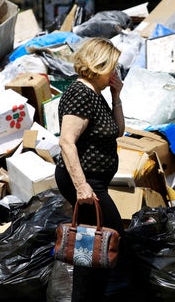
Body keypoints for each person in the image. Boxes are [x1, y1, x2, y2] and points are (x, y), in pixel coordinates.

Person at [54, 37, 126, 301]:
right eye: (113, 68)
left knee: (95, 242)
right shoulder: (81, 93)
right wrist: (81, 186)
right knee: (102, 238)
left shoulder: (96, 94)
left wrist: (116, 95)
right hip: (85, 181)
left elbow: (118, 131)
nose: (115, 73)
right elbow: (66, 141)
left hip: (94, 181)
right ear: (99, 65)